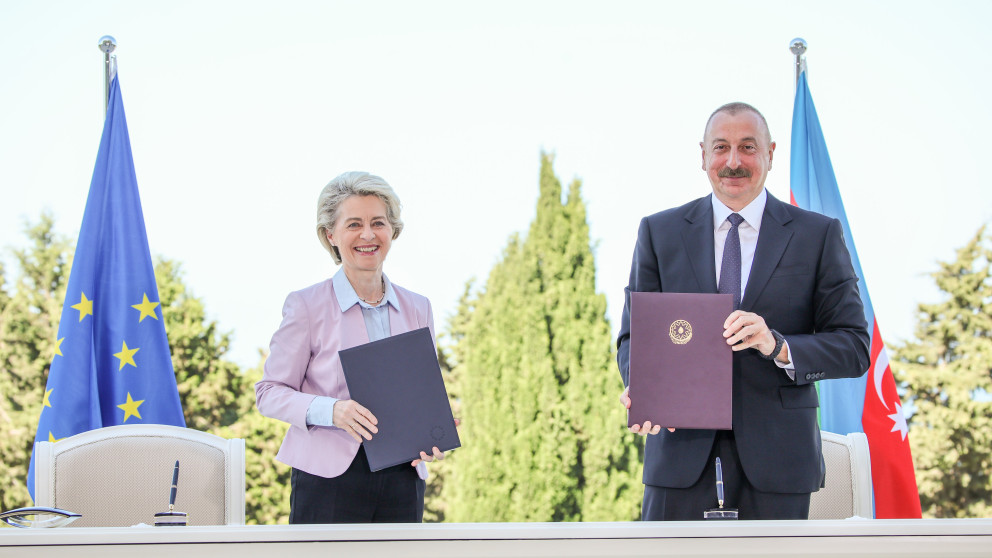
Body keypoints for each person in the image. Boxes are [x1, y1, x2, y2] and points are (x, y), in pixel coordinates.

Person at [616, 102, 870, 520]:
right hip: (678, 458)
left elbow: (854, 346)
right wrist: (641, 387)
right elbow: (633, 338)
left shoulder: (817, 236)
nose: (733, 162)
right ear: (703, 156)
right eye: (721, 147)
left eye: (748, 147)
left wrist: (778, 345)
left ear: (771, 153)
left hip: (780, 464)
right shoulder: (659, 232)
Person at [256, 171, 444, 524]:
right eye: (354, 224)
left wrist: (432, 430)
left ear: (393, 230)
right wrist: (332, 410)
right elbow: (268, 393)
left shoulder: (420, 307)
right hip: (328, 478)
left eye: (378, 223)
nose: (368, 235)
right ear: (331, 235)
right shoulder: (306, 306)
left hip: (403, 476)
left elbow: (420, 391)